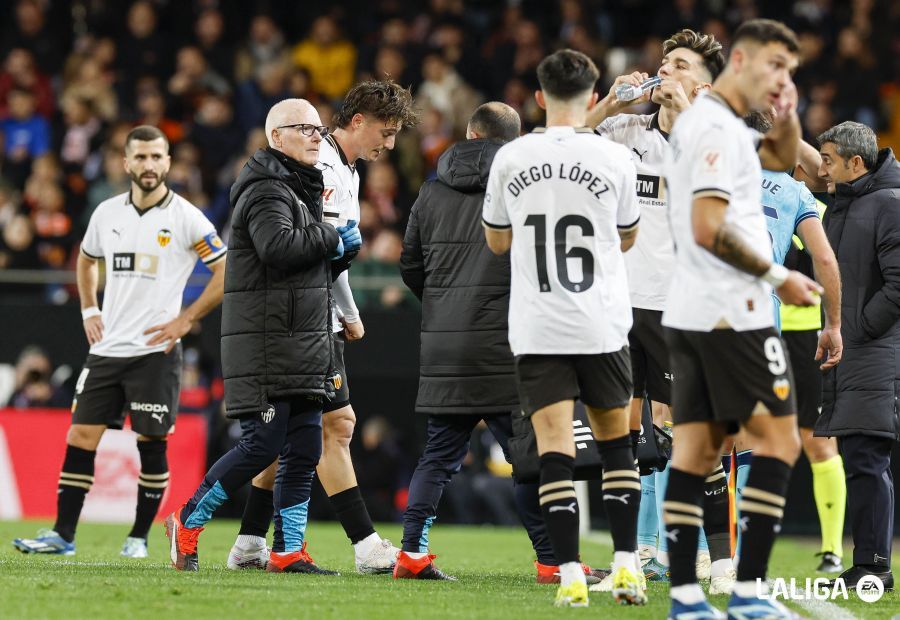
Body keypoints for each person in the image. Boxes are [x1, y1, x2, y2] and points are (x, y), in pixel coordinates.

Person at [396, 101, 606, 584]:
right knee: (531, 458)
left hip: (447, 346)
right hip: (511, 346)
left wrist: (445, 304)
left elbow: (411, 267)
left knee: (438, 457)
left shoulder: (429, 193)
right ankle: (551, 560)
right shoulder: (527, 189)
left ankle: (411, 553)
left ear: (469, 133)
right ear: (513, 143)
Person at [660, 19, 827, 619]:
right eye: (777, 67)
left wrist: (786, 109)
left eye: (791, 72)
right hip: (733, 311)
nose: (784, 78)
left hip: (698, 309)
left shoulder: (724, 125)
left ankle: (685, 598)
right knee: (780, 443)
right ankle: (750, 593)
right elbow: (709, 229)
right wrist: (780, 277)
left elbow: (788, 158)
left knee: (698, 451)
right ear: (744, 60)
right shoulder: (711, 128)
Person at [226, 80, 419, 575]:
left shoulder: (343, 169)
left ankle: (249, 541)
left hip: (308, 318)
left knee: (290, 434)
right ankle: (366, 546)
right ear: (357, 122)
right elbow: (322, 255)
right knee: (338, 425)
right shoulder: (325, 169)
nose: (390, 145)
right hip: (308, 321)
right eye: (386, 131)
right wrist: (348, 314)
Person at [165, 99, 361, 573]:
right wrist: (333, 237)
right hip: (268, 341)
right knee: (262, 444)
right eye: (305, 129)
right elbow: (279, 248)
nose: (318, 136)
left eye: (319, 128)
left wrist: (335, 256)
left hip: (304, 338)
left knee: (305, 450)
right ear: (277, 138)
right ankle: (186, 520)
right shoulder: (266, 189)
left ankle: (288, 549)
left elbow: (302, 266)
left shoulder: (300, 187)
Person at [12, 125, 227, 558]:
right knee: (80, 437)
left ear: (168, 162)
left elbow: (225, 270)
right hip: (107, 349)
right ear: (126, 163)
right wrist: (90, 309)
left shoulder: (186, 216)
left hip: (156, 352)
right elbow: (87, 261)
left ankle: (138, 537)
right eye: (141, 157)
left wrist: (185, 320)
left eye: (157, 157)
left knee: (151, 445)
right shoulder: (107, 213)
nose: (149, 165)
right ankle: (63, 535)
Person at [483, 49, 644, 608]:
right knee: (615, 444)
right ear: (594, 97)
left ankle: (571, 573)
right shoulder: (616, 159)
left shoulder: (511, 157)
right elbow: (627, 238)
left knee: (554, 450)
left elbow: (497, 241)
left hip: (538, 323)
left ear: (540, 97)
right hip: (600, 320)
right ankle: (626, 565)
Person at [587, 28, 734, 594]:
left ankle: (719, 564)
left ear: (702, 84)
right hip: (621, 308)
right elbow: (562, 143)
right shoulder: (626, 129)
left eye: (678, 64)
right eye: (663, 61)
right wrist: (609, 102)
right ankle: (629, 561)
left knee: (696, 437)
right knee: (620, 438)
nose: (664, 70)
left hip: (683, 311)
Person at [736, 110, 846, 575]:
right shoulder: (790, 194)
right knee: (757, 438)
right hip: (775, 325)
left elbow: (821, 172)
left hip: (803, 331)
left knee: (817, 442)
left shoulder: (812, 198)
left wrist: (782, 123)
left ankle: (831, 548)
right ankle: (734, 549)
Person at [815, 120, 900, 590]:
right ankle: (867, 561)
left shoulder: (888, 204)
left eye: (828, 161)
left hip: (873, 353)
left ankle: (873, 567)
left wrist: (856, 329)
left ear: (855, 163)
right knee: (859, 457)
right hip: (853, 353)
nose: (822, 170)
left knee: (868, 459)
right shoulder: (849, 203)